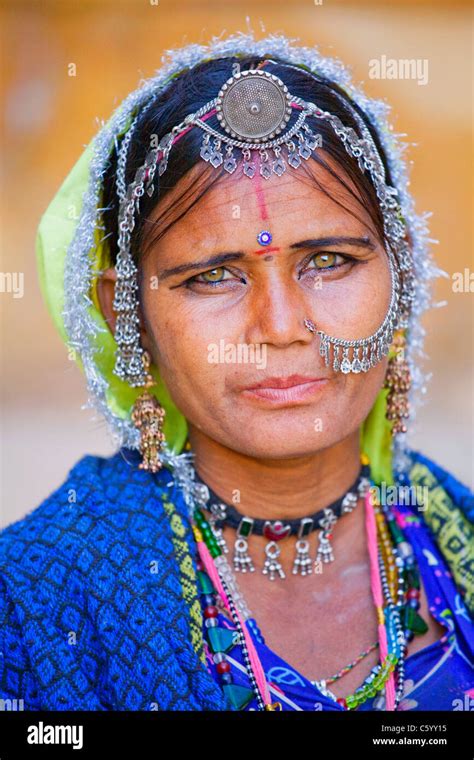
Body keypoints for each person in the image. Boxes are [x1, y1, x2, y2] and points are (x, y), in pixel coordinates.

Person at [0, 32, 472, 712]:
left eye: (330, 260)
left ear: (402, 273)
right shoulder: (35, 599)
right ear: (126, 313)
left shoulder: (454, 543)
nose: (280, 327)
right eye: (213, 276)